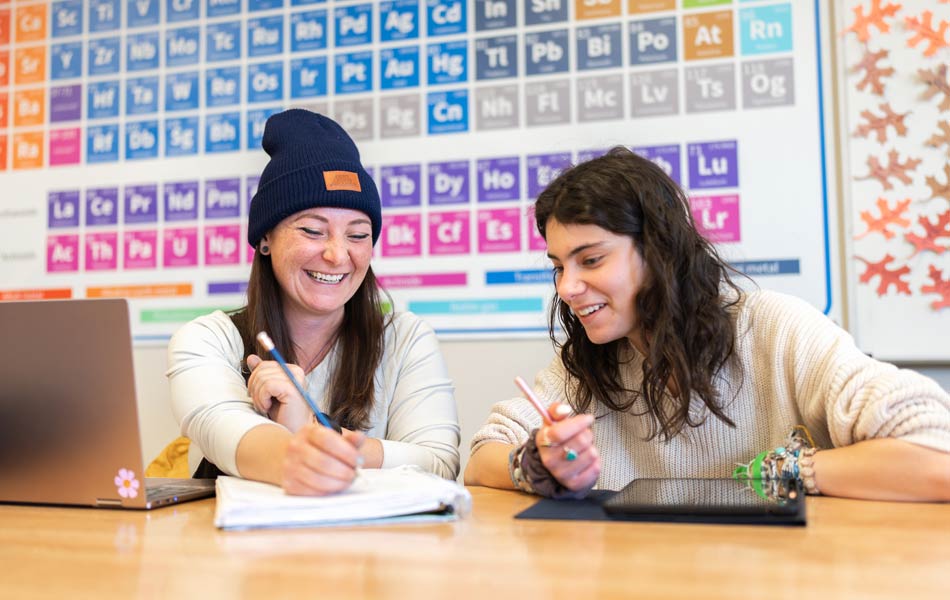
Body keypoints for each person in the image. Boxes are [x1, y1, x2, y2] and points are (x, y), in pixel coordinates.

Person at [465, 146, 950, 501]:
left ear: (659, 253)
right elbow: (482, 456)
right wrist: (536, 465)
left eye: (590, 260)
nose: (567, 288)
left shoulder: (775, 330)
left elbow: (937, 452)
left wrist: (783, 472)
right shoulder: (592, 364)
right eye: (558, 266)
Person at [168, 109, 460, 495]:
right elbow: (221, 427)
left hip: (370, 553)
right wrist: (304, 451)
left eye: (357, 235)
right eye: (312, 230)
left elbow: (438, 464)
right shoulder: (208, 339)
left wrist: (311, 429)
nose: (338, 256)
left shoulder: (406, 339)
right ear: (265, 239)